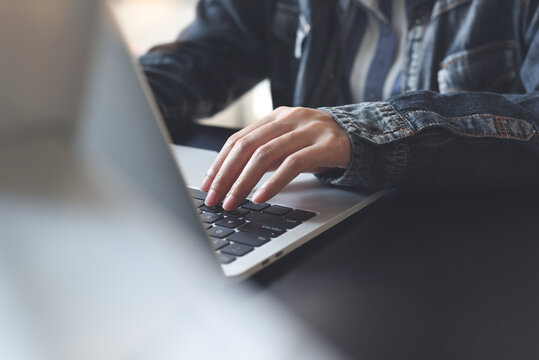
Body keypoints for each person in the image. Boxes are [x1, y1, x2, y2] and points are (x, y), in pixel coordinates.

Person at [140, 0, 539, 211]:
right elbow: (209, 53)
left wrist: (361, 131)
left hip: (469, 250)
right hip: (320, 225)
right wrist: (116, 90)